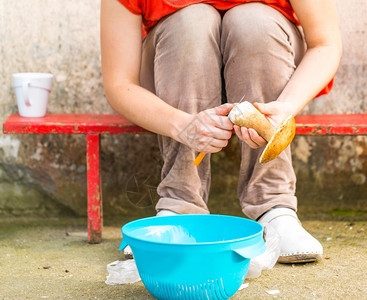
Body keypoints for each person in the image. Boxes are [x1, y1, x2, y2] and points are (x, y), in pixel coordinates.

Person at [100, 0, 342, 263]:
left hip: (268, 61)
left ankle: (274, 205)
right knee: (191, 21)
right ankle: (180, 206)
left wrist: (286, 107)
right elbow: (119, 84)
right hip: (172, 73)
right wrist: (183, 125)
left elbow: (325, 43)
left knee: (252, 21)